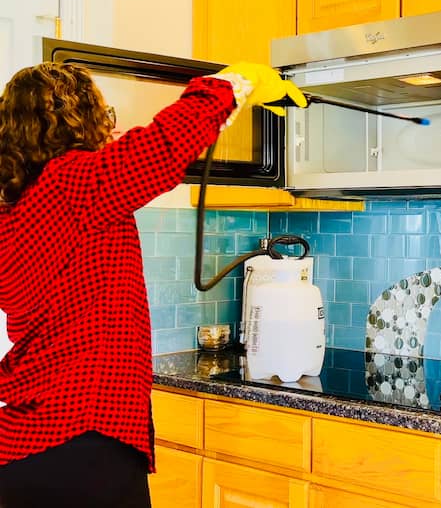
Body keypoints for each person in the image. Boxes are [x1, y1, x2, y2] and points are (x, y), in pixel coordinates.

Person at [0, 60, 306, 508]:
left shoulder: (15, 207)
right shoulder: (75, 185)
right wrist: (232, 85)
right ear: (79, 120)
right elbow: (163, 145)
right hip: (83, 440)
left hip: (25, 448)